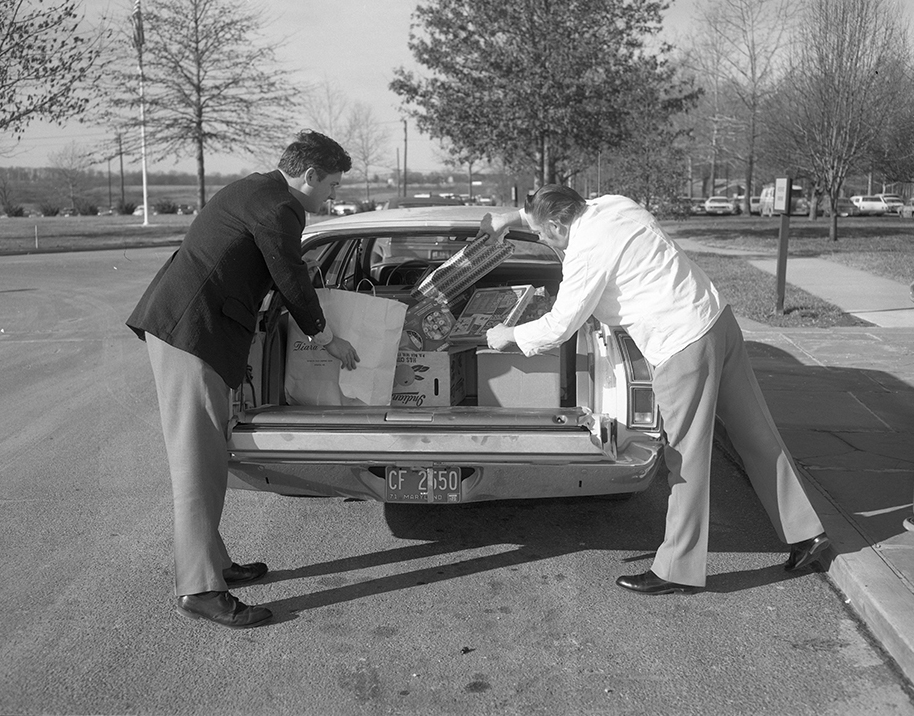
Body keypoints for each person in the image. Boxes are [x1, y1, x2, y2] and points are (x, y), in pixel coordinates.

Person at [482, 185, 829, 595]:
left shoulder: (586, 253)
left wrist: (507, 336)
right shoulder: (612, 205)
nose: (541, 238)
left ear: (559, 223)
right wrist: (513, 218)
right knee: (755, 432)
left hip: (680, 344)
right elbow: (551, 212)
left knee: (685, 455)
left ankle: (678, 569)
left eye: (542, 232)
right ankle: (808, 534)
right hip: (715, 318)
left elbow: (560, 326)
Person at [127, 130, 360, 627]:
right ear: (309, 175)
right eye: (332, 185)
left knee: (207, 457)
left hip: (190, 329)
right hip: (193, 333)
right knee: (197, 463)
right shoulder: (281, 207)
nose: (333, 195)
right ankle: (199, 589)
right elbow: (290, 275)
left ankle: (216, 564)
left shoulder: (257, 189)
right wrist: (326, 338)